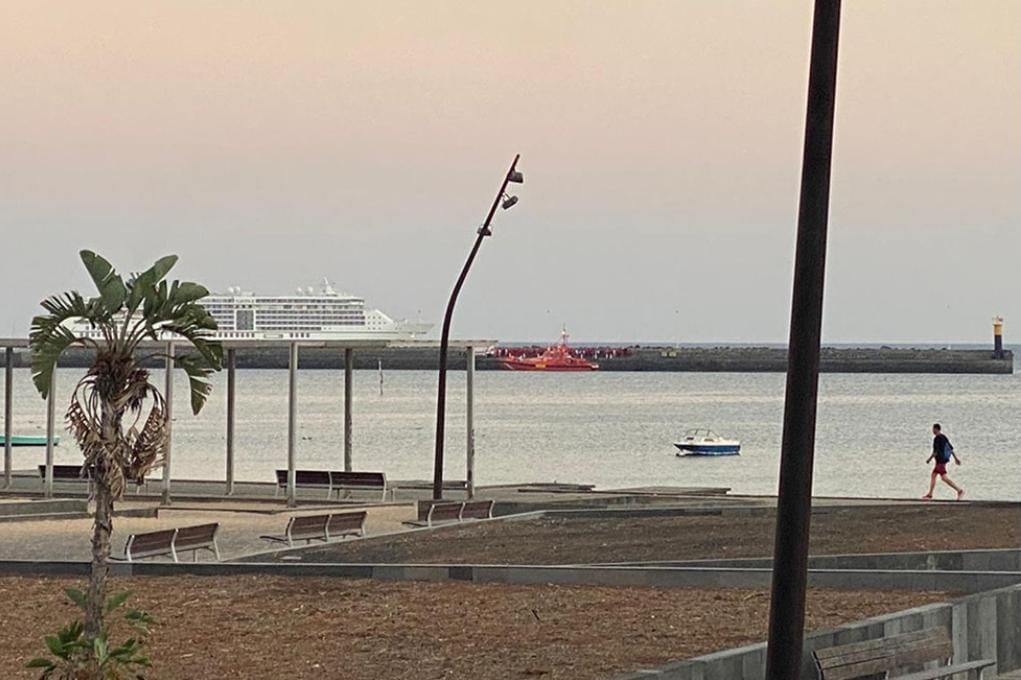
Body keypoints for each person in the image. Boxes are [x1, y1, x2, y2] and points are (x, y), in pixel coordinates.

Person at [923, 423, 964, 500]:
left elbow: (935, 452)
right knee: (934, 475)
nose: (932, 431)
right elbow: (950, 449)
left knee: (944, 478)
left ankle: (959, 490)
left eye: (933, 429)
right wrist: (956, 458)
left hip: (940, 461)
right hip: (943, 460)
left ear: (936, 429)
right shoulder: (944, 437)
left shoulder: (937, 438)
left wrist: (929, 459)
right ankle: (930, 494)